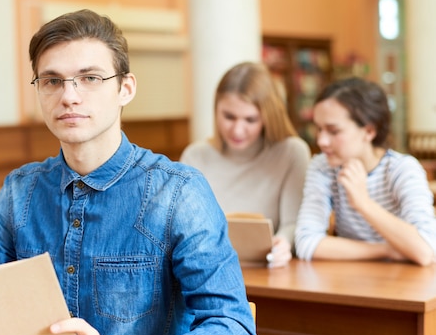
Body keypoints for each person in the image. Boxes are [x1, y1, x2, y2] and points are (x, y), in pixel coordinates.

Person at [0, 9, 258, 335]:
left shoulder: (180, 192)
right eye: (52, 81)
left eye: (90, 78)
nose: (69, 95)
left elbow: (234, 332)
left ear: (125, 88)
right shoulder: (20, 190)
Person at [180, 62, 311, 268]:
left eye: (250, 120)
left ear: (267, 117)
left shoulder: (292, 152)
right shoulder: (195, 156)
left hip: (270, 272)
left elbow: (293, 223)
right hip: (206, 271)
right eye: (229, 117)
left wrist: (284, 243)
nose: (238, 130)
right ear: (216, 110)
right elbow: (183, 226)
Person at [295, 76, 436, 266]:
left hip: (409, 287)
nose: (321, 141)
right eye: (319, 129)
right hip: (353, 281)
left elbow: (425, 250)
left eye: (333, 131)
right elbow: (307, 244)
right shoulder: (323, 166)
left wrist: (363, 203)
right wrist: (387, 249)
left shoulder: (402, 170)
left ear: (369, 131)